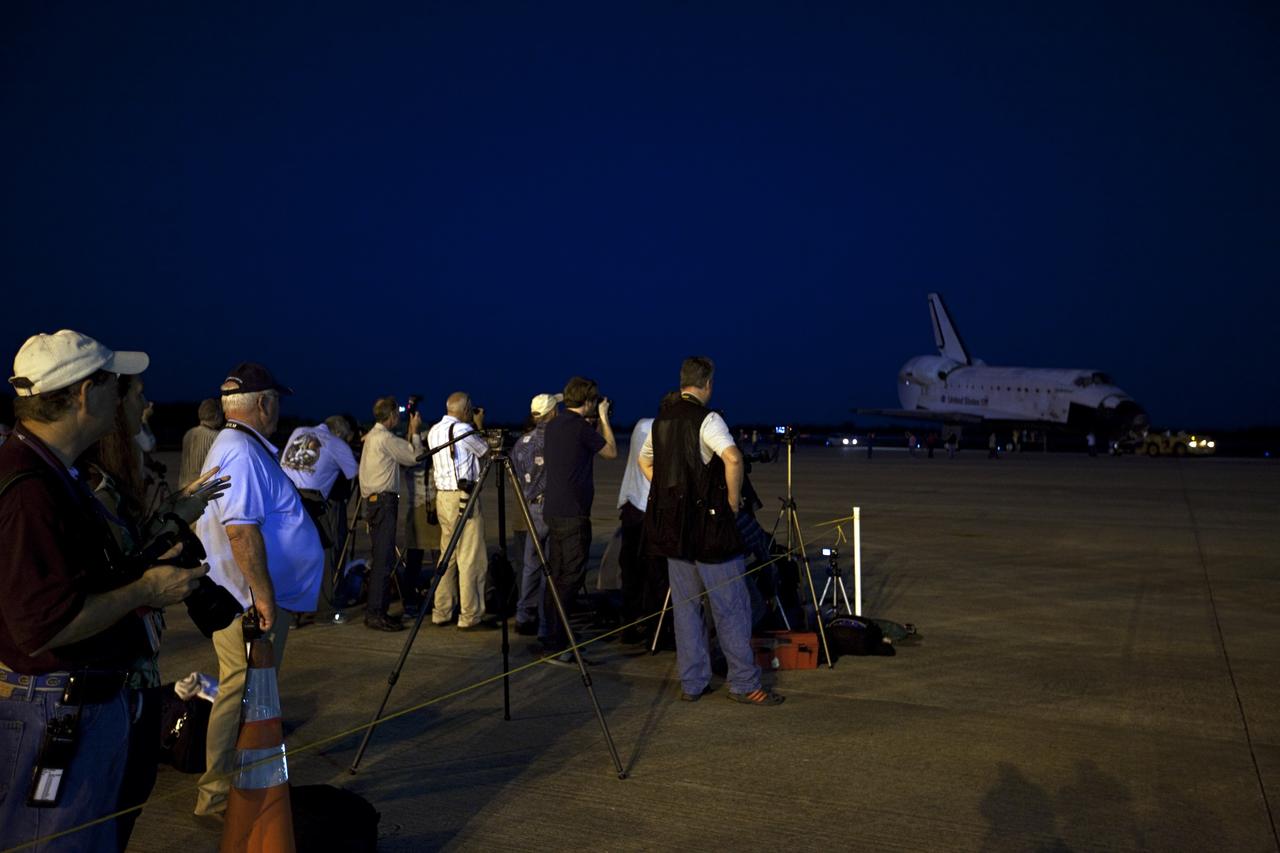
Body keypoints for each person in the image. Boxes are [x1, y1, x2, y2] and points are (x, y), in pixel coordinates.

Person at [1, 330, 207, 851]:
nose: (125, 396)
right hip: (54, 707)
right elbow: (45, 625)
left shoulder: (54, 472)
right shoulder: (30, 489)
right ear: (83, 395)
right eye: (114, 383)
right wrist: (148, 588)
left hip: (73, 701)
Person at [81, 372, 228, 848]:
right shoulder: (91, 486)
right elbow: (112, 567)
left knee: (128, 794)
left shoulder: (115, 479)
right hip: (111, 676)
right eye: (138, 396)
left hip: (133, 670)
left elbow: (131, 545)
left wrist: (178, 512)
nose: (148, 406)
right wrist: (153, 577)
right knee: (105, 806)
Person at [194, 361, 324, 821]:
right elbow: (241, 531)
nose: (278, 410)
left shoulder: (235, 445)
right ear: (264, 403)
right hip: (245, 600)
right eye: (276, 402)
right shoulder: (242, 452)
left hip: (242, 594)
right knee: (242, 688)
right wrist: (263, 594)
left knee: (247, 688)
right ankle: (218, 796)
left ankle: (237, 785)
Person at [639, 356, 783, 706]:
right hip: (710, 533)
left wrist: (670, 495)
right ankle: (744, 683)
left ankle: (693, 683)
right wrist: (732, 502)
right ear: (707, 384)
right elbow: (732, 458)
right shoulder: (708, 419)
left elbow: (646, 462)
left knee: (687, 610)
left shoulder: (661, 423)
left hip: (675, 532)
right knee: (731, 608)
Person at [540, 377, 617, 662]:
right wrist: (604, 418)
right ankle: (560, 643)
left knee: (557, 576)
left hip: (554, 510)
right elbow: (610, 451)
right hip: (574, 513)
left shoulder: (554, 425)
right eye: (594, 401)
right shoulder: (580, 428)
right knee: (570, 579)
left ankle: (551, 637)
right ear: (587, 401)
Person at [427, 392, 492, 630]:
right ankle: (469, 615)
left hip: (442, 497)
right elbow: (486, 451)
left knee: (447, 557)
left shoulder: (434, 431)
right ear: (466, 410)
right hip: (463, 497)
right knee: (470, 557)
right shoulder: (464, 431)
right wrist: (478, 425)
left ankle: (441, 611)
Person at [358, 397, 423, 631]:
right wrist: (414, 432)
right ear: (392, 416)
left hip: (374, 502)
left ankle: (376, 610)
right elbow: (415, 457)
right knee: (384, 560)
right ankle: (376, 613)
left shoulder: (372, 437)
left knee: (381, 557)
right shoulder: (385, 438)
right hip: (384, 503)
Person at [510, 392, 560, 637]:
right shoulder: (555, 440)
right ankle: (544, 622)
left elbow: (516, 475)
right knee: (549, 566)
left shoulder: (522, 443)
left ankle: (524, 614)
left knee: (531, 563)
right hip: (550, 507)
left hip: (531, 506)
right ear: (552, 413)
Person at [616, 415, 662, 644]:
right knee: (655, 574)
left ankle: (629, 624)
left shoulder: (641, 425)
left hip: (631, 506)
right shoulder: (659, 430)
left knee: (631, 572)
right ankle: (655, 629)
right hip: (648, 508)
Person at [180, 398, 224, 488]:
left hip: (183, 489)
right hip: (200, 490)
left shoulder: (189, 433)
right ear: (216, 416)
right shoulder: (216, 436)